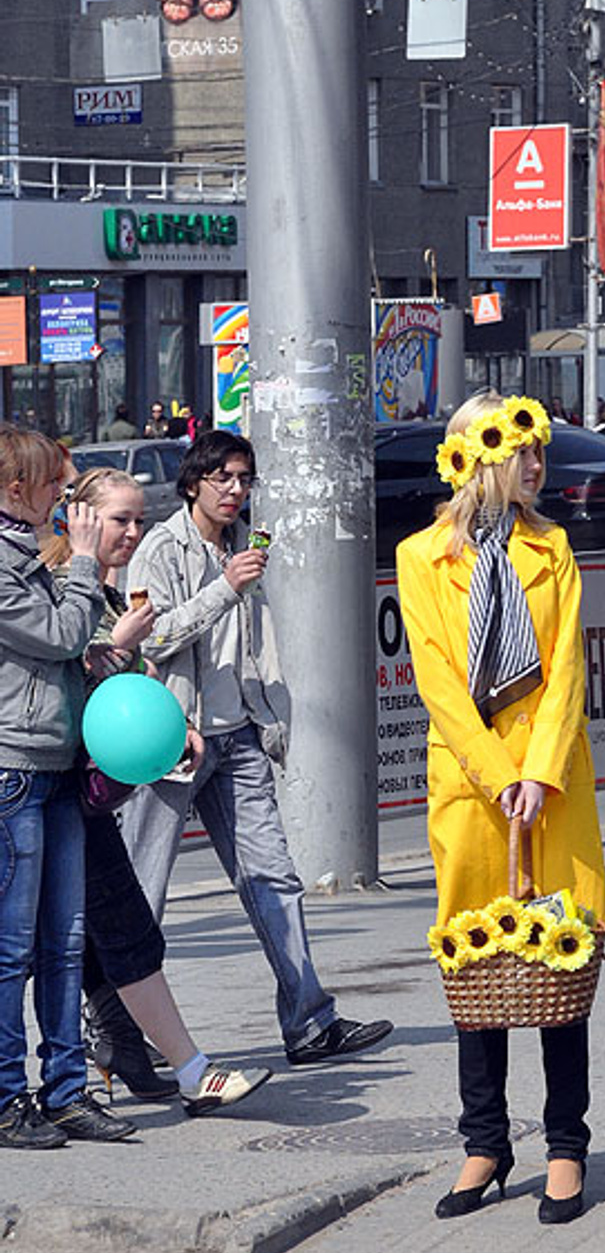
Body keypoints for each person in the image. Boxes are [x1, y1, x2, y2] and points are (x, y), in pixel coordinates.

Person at [115, 430, 392, 1067]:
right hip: (172, 737)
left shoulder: (246, 544)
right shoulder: (163, 548)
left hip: (238, 734)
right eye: (224, 479)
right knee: (142, 890)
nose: (236, 491)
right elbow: (152, 639)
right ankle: (120, 1033)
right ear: (194, 483)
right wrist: (225, 588)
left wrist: (272, 715)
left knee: (274, 878)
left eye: (245, 479)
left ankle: (310, 1021)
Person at [396, 392, 605, 1223]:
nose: (536, 465)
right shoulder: (422, 557)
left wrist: (540, 772)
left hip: (551, 783)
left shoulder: (551, 547)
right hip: (471, 784)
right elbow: (438, 681)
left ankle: (566, 1147)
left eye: (539, 450)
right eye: (521, 451)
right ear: (478, 458)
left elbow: (567, 669)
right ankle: (484, 1142)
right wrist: (497, 774)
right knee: (476, 966)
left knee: (560, 962)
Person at [42, 467, 271, 1117]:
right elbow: (61, 680)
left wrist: (176, 727)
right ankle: (184, 1070)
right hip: (56, 791)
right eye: (121, 519)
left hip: (83, 795)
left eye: (139, 520)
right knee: (114, 932)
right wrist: (119, 646)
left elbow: (129, 688)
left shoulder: (109, 592)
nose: (133, 533)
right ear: (81, 519)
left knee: (97, 937)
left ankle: (127, 1055)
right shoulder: (62, 589)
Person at [0, 428, 135, 1148]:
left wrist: (95, 657)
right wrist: (83, 561)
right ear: (16, 488)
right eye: (55, 482)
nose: (66, 495)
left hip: (55, 764)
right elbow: (56, 633)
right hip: (14, 769)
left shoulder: (29, 554)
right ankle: (6, 1098)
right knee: (12, 951)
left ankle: (65, 1090)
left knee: (64, 943)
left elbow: (67, 644)